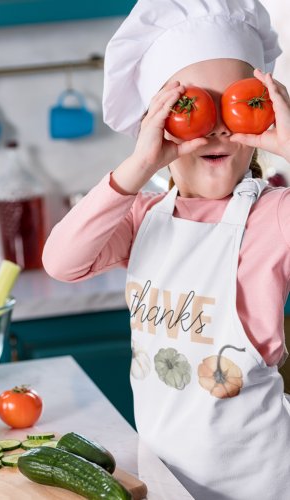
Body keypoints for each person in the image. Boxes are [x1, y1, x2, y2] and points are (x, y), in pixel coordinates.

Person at [42, 1, 290, 499]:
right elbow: (61, 262)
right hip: (164, 478)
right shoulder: (142, 216)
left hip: (260, 484)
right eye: (192, 108)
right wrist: (138, 165)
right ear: (156, 124)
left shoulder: (274, 215)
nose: (219, 127)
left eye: (239, 103)